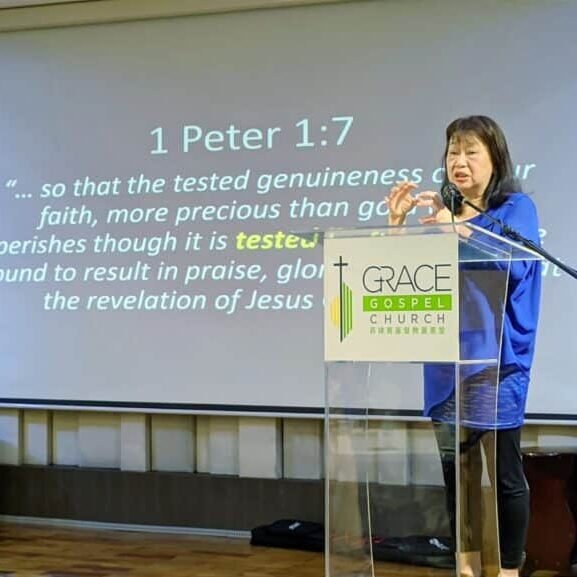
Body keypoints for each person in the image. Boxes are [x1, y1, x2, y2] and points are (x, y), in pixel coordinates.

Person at [386, 115, 542, 577]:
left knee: (504, 475)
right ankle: (467, 568)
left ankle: (509, 570)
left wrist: (455, 226)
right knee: (460, 477)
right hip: (445, 361)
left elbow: (510, 265)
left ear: (495, 158)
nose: (459, 161)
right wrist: (398, 228)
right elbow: (403, 283)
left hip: (496, 362)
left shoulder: (514, 210)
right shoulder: (442, 217)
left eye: (471, 151)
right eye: (453, 151)